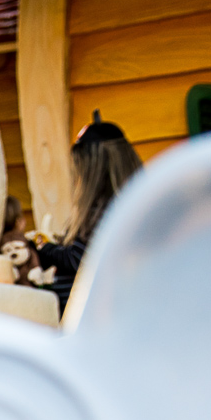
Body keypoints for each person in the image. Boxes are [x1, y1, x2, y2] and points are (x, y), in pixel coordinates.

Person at [34, 112, 143, 314]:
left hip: (90, 317)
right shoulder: (127, 206)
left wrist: (45, 249)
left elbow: (79, 259)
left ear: (94, 171)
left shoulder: (101, 211)